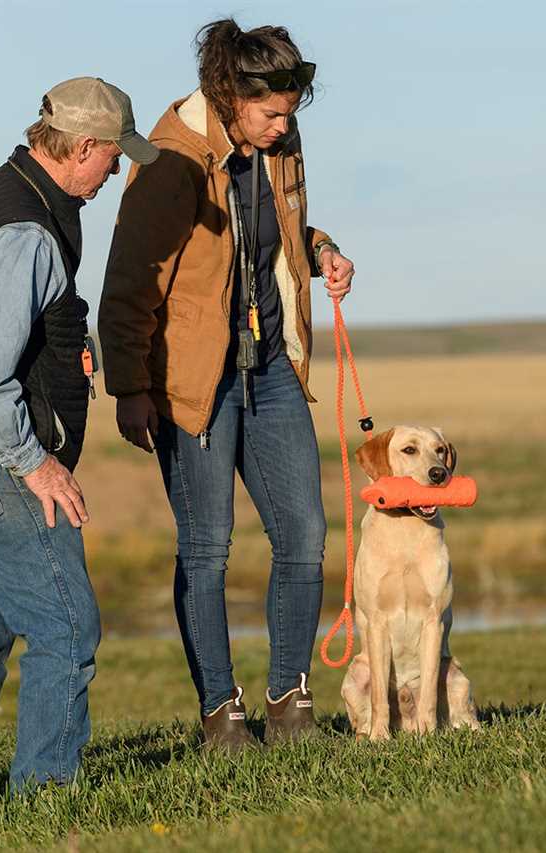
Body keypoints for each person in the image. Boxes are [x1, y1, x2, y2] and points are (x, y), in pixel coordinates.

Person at [99, 19, 355, 749]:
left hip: (272, 369)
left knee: (304, 534)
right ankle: (221, 712)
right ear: (231, 95)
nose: (284, 127)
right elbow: (128, 282)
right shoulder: (174, 157)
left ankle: (291, 702)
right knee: (207, 548)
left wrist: (324, 250)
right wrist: (129, 386)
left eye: (290, 115)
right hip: (193, 379)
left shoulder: (281, 147)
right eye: (271, 114)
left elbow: (281, 233)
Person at [0, 77, 157, 816]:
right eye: (112, 158)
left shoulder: (5, 194)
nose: (115, 173)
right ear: (83, 147)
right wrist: (37, 463)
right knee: (66, 625)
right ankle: (47, 804)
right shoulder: (25, 232)